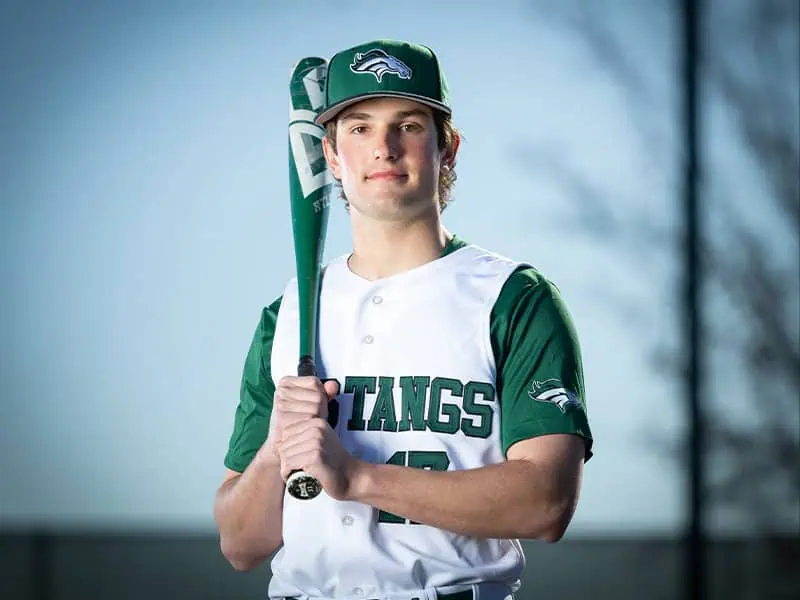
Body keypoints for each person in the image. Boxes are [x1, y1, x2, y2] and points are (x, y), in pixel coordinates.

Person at [213, 39, 593, 600]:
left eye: (409, 125)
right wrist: (277, 450)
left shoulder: (513, 297)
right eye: (359, 128)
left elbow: (546, 504)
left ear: (449, 147)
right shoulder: (289, 313)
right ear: (332, 158)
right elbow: (241, 545)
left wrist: (357, 478)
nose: (383, 148)